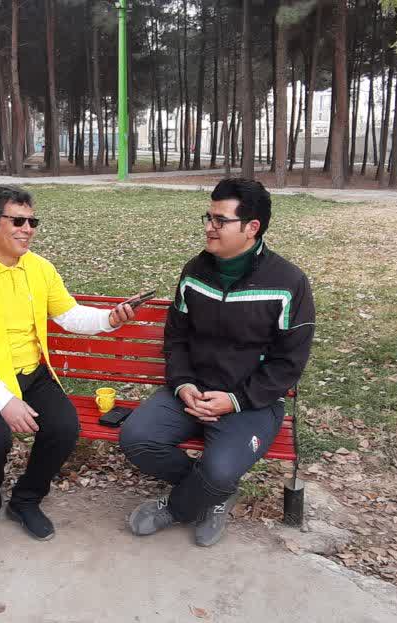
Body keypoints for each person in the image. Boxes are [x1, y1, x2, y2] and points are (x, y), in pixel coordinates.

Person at [118, 177, 315, 547]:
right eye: (208, 217)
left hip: (251, 403)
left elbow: (288, 362)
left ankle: (180, 506)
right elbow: (176, 337)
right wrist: (183, 384)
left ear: (252, 227)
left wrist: (235, 400)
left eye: (220, 220)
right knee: (136, 439)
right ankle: (214, 490)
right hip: (191, 393)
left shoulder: (289, 283)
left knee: (220, 469)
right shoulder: (195, 272)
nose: (210, 226)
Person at [0, 185, 137, 553]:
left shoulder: (40, 269)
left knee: (64, 427)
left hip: (31, 373)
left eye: (32, 222)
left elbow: (69, 314)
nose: (28, 229)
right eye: (18, 221)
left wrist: (109, 319)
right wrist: (3, 400)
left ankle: (26, 500)